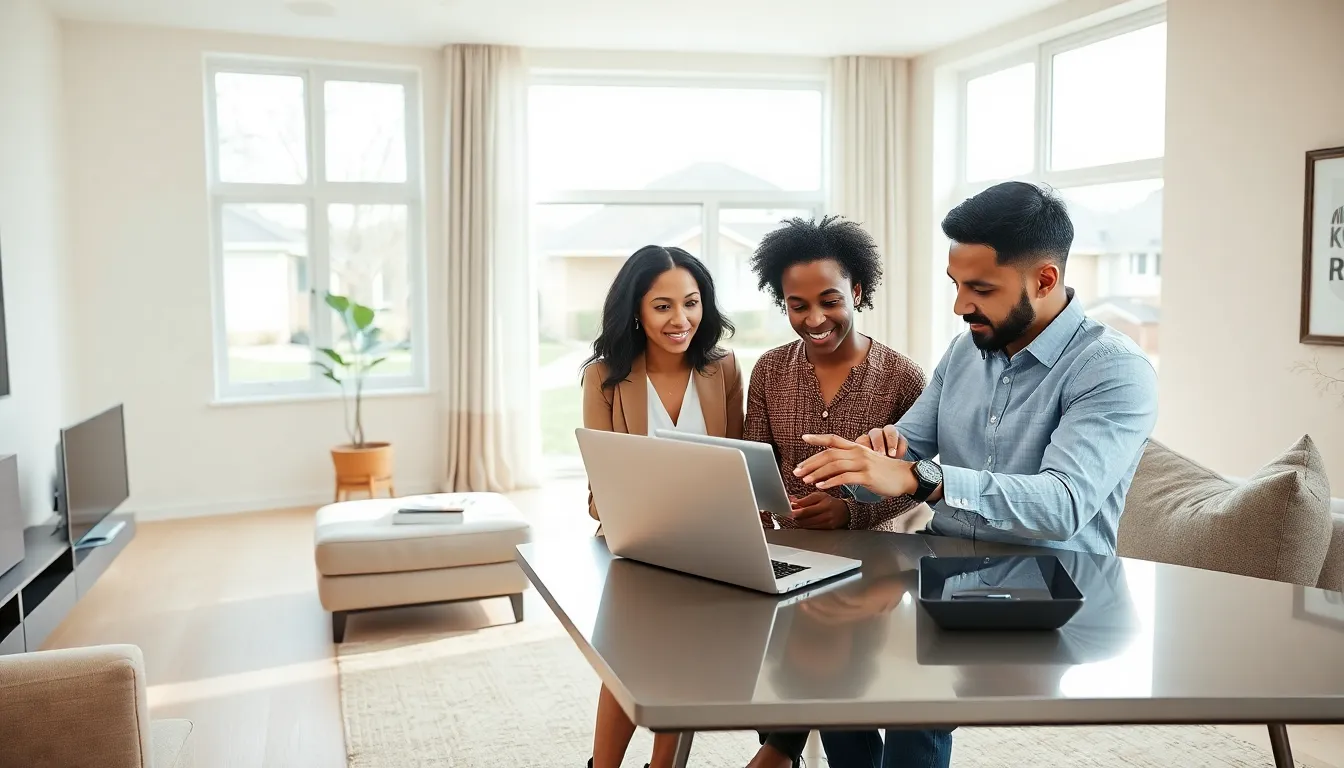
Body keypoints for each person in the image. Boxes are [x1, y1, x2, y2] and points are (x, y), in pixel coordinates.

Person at [791, 181, 1160, 768]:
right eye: (956, 285)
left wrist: (918, 477)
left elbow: (1061, 504)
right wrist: (859, 462)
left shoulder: (1113, 370)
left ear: (1043, 280)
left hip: (1052, 584)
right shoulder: (967, 350)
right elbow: (905, 449)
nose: (960, 305)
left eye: (979, 288)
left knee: (915, 672)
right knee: (828, 617)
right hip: (945, 564)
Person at [740, 215, 926, 768]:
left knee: (861, 684)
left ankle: (782, 750)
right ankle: (783, 747)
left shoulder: (903, 377)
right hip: (789, 557)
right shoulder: (769, 370)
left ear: (858, 292)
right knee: (787, 673)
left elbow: (921, 482)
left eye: (830, 300)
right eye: (798, 306)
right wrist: (766, 511)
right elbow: (758, 462)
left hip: (877, 564)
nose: (815, 318)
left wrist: (848, 514)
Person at [579, 244, 744, 768]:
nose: (682, 319)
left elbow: (737, 462)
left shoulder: (723, 369)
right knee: (627, 658)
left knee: (684, 660)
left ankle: (662, 766)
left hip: (709, 539)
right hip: (636, 541)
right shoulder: (605, 376)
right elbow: (599, 486)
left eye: (692, 303)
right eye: (663, 306)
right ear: (637, 310)